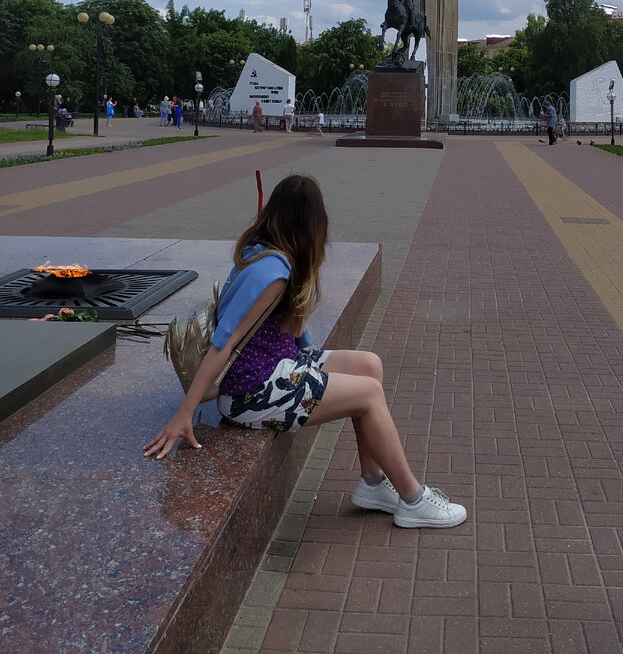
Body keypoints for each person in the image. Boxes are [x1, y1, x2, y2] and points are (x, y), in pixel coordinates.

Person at [143, 174, 467, 529]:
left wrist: (313, 358)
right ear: (310, 225)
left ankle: (373, 484)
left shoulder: (264, 251)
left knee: (369, 366)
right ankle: (413, 500)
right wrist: (185, 411)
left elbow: (284, 324)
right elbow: (225, 341)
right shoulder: (271, 272)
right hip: (251, 392)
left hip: (279, 364)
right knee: (370, 394)